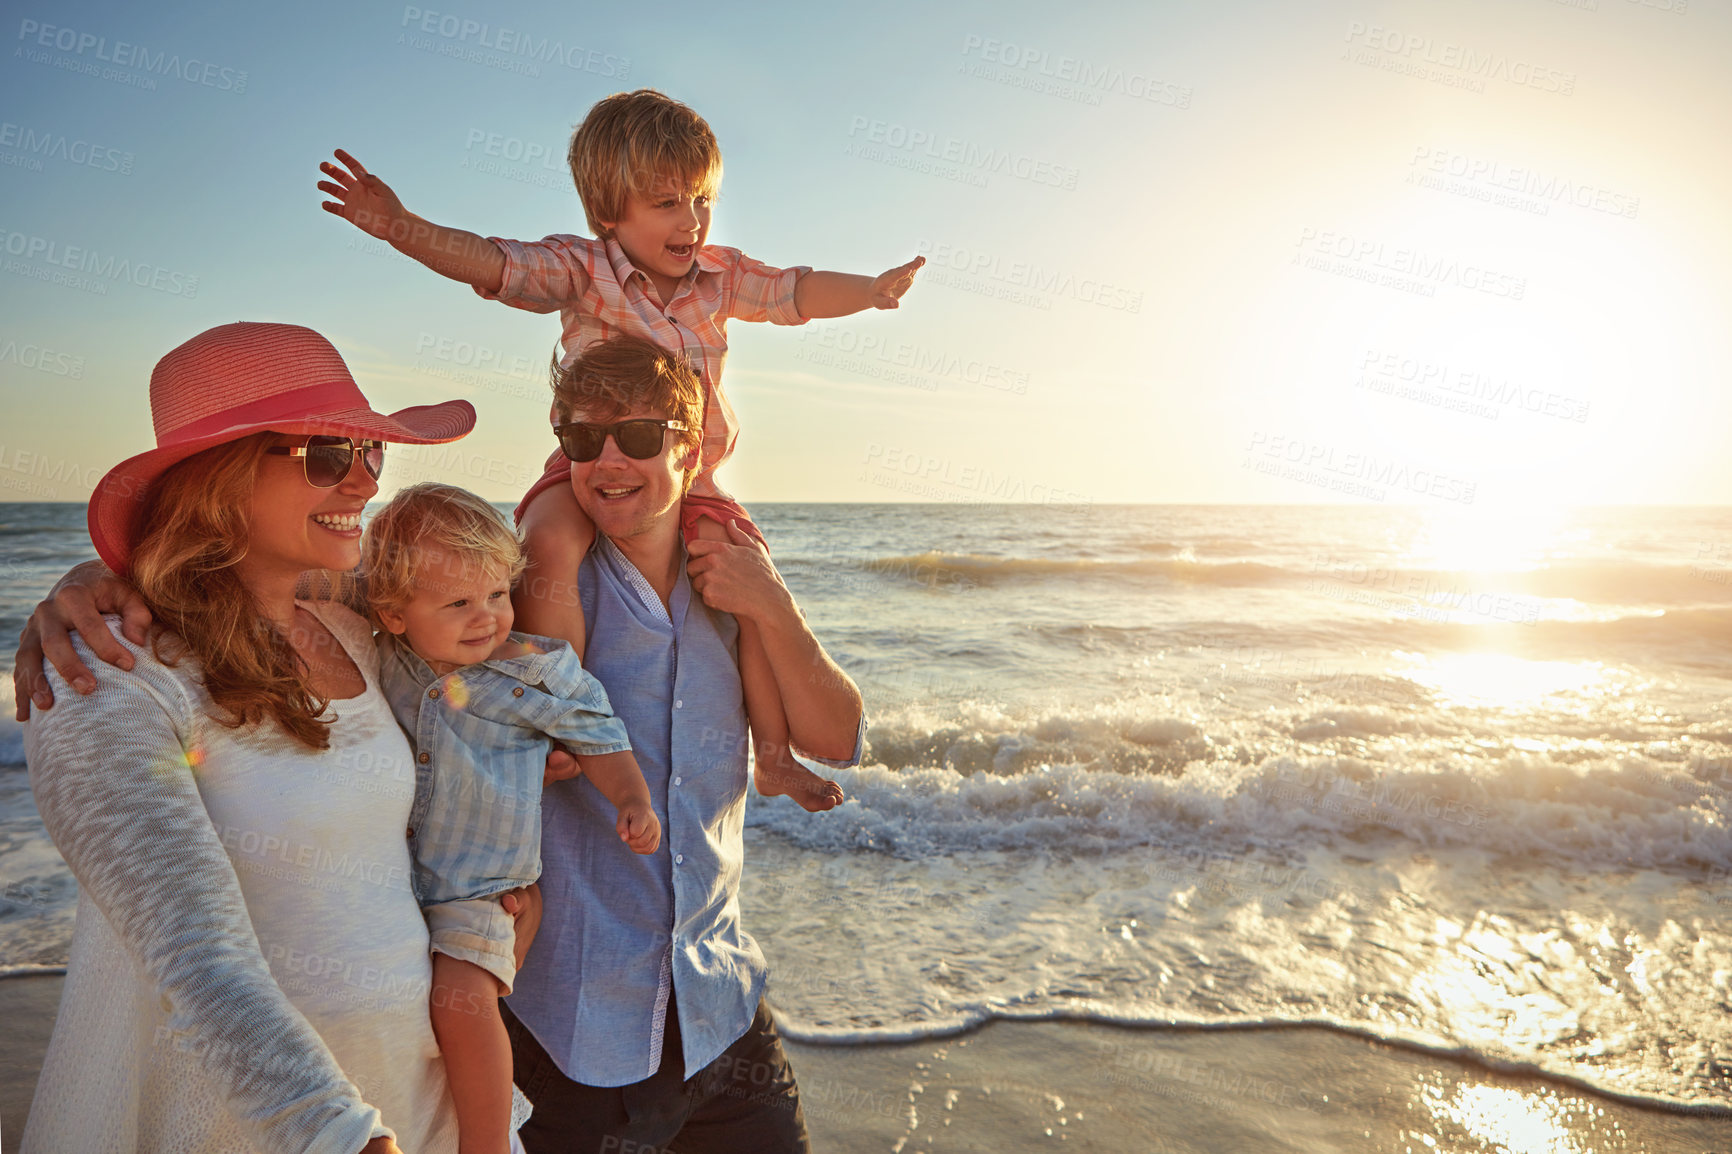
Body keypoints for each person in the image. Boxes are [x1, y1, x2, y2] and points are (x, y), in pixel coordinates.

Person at [15, 321, 544, 1154]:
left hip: (422, 1103)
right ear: (216, 478)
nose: (364, 482)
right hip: (266, 1132)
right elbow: (196, 960)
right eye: (332, 454)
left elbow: (473, 597)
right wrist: (341, 1137)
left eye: (372, 456)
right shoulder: (107, 678)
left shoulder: (355, 627)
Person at [316, 87, 918, 814]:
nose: (691, 221)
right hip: (580, 468)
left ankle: (776, 758)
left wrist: (871, 290)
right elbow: (493, 264)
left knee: (752, 590)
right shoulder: (582, 267)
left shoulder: (720, 275)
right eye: (667, 203)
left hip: (693, 476)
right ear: (610, 213)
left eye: (701, 199)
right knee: (549, 544)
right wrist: (402, 227)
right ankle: (556, 717)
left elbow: (794, 291)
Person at [362, 481, 660, 1154]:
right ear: (395, 611)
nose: (487, 616)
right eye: (459, 602)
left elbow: (598, 731)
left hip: (481, 890)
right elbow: (307, 586)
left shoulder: (531, 673)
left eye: (497, 594)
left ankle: (488, 1141)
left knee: (459, 1003)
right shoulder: (380, 653)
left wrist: (633, 799)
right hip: (393, 881)